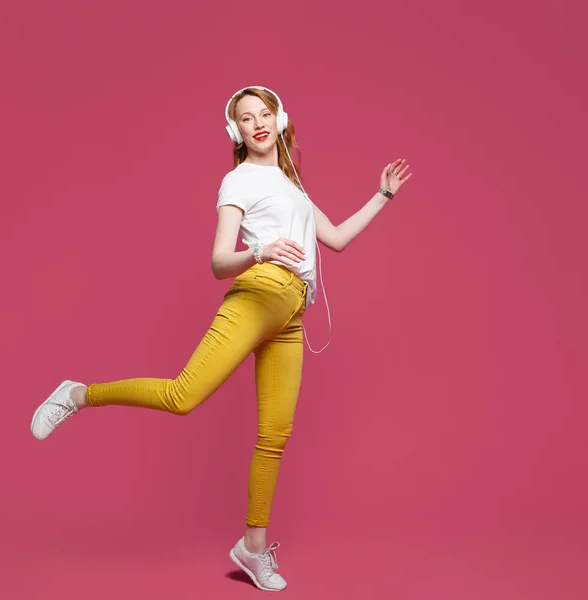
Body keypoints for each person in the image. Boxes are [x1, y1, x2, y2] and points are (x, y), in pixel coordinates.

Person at [30, 85, 412, 592]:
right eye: (246, 117)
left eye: (264, 113)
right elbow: (216, 262)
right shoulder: (238, 181)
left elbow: (336, 239)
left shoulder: (294, 185)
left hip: (291, 315)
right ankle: (78, 394)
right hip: (256, 294)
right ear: (235, 131)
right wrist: (261, 253)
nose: (257, 122)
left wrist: (382, 195)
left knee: (274, 437)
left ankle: (252, 549)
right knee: (182, 395)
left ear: (279, 118)